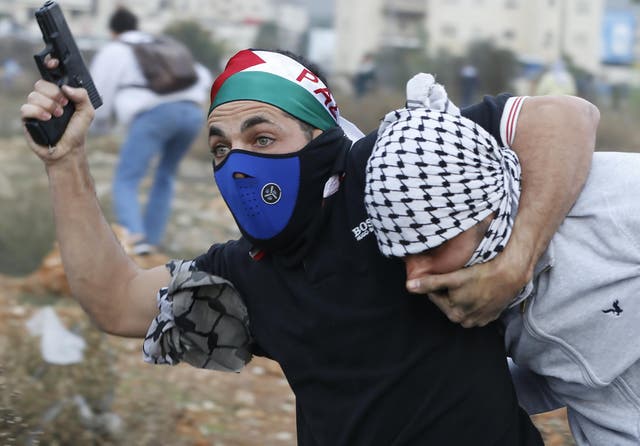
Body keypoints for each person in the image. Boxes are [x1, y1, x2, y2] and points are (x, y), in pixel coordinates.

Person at [20, 48, 599, 445]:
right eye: (220, 148)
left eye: (263, 136)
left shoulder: (397, 172)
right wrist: (65, 160)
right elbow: (115, 300)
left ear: (321, 137)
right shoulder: (243, 272)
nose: (239, 163)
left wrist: (516, 258)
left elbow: (566, 115)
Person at [364, 98, 640, 445]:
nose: (414, 277)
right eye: (403, 258)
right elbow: (562, 377)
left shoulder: (613, 201)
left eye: (431, 248)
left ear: (488, 214)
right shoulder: (471, 306)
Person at [90, 6, 212, 254]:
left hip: (154, 115)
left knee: (126, 179)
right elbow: (202, 76)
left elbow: (97, 93)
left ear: (113, 31)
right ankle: (152, 241)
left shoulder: (115, 49)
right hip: (192, 112)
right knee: (165, 175)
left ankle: (136, 242)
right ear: (136, 26)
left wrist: (97, 125)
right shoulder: (162, 43)